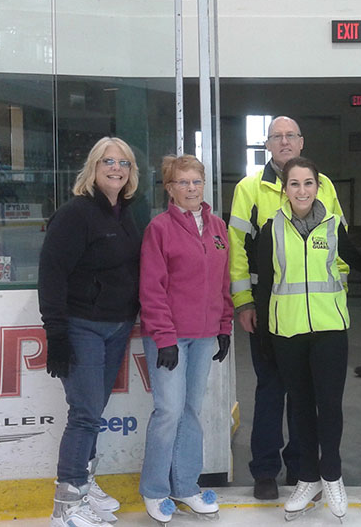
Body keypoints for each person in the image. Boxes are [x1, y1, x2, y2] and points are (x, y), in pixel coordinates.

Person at [228, 116, 347, 500]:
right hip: (266, 306)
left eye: (290, 136)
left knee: (304, 394)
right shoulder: (249, 188)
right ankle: (265, 471)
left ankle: (301, 470)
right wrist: (244, 300)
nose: (284, 142)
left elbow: (339, 247)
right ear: (267, 144)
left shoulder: (323, 185)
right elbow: (236, 252)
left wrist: (335, 298)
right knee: (270, 389)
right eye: (276, 136)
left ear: (301, 141)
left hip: (315, 314)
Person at [38, 137, 141, 527]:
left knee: (93, 411)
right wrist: (57, 334)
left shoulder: (124, 213)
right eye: (108, 161)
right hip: (82, 327)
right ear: (94, 168)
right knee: (84, 413)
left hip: (117, 327)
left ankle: (85, 483)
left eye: (124, 163)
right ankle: (65, 504)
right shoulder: (75, 214)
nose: (116, 168)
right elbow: (52, 273)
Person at [255, 156, 361, 521]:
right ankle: (308, 477)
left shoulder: (334, 227)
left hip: (329, 331)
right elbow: (266, 284)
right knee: (299, 406)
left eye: (308, 183)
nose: (301, 190)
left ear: (319, 187)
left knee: (329, 405)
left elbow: (355, 265)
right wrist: (266, 336)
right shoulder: (271, 229)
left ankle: (331, 474)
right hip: (287, 333)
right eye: (294, 184)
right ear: (285, 189)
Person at [138, 154, 233, 524]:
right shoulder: (159, 229)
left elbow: (223, 283)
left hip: (205, 334)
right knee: (168, 412)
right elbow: (152, 287)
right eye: (183, 183)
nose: (191, 189)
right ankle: (155, 489)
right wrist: (163, 337)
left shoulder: (217, 228)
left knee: (191, 412)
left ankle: (186, 485)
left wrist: (224, 327)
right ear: (170, 188)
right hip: (170, 337)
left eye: (196, 181)